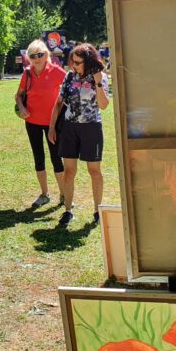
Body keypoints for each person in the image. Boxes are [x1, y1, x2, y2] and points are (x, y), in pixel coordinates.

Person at [48, 43, 110, 226]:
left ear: (88, 61)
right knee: (69, 171)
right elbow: (59, 103)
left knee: (94, 171)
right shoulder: (69, 77)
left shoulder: (100, 77)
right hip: (70, 128)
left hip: (91, 128)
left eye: (77, 62)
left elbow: (104, 105)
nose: (73, 65)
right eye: (72, 61)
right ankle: (68, 210)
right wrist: (52, 127)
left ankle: (97, 211)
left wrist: (98, 81)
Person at [15, 39, 67, 208]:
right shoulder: (27, 73)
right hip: (32, 122)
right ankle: (44, 194)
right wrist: (21, 107)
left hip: (53, 122)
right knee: (39, 158)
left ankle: (64, 195)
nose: (37, 58)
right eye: (33, 55)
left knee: (56, 158)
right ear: (28, 58)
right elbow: (19, 95)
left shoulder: (56, 71)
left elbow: (70, 88)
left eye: (40, 54)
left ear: (47, 54)